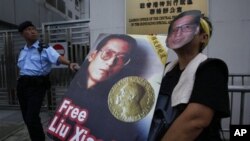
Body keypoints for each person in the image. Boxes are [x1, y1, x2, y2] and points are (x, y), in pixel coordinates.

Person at [148, 10, 230, 141]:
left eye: (187, 28)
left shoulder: (212, 68)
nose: (177, 32)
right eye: (173, 29)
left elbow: (195, 120)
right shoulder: (165, 69)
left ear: (204, 37)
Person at [16, 21, 79, 141]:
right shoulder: (22, 50)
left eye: (33, 29)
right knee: (27, 118)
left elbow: (58, 57)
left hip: (37, 86)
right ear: (22, 34)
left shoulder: (44, 48)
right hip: (22, 85)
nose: (33, 31)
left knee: (31, 117)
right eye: (28, 29)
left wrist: (70, 63)